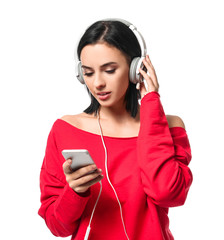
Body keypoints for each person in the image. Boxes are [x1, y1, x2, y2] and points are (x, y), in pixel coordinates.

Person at [38, 19, 193, 240]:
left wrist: (151, 102)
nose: (98, 83)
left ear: (135, 69)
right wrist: (75, 192)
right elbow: (58, 227)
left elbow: (168, 193)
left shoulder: (169, 127)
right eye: (89, 73)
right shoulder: (65, 130)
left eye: (109, 70)